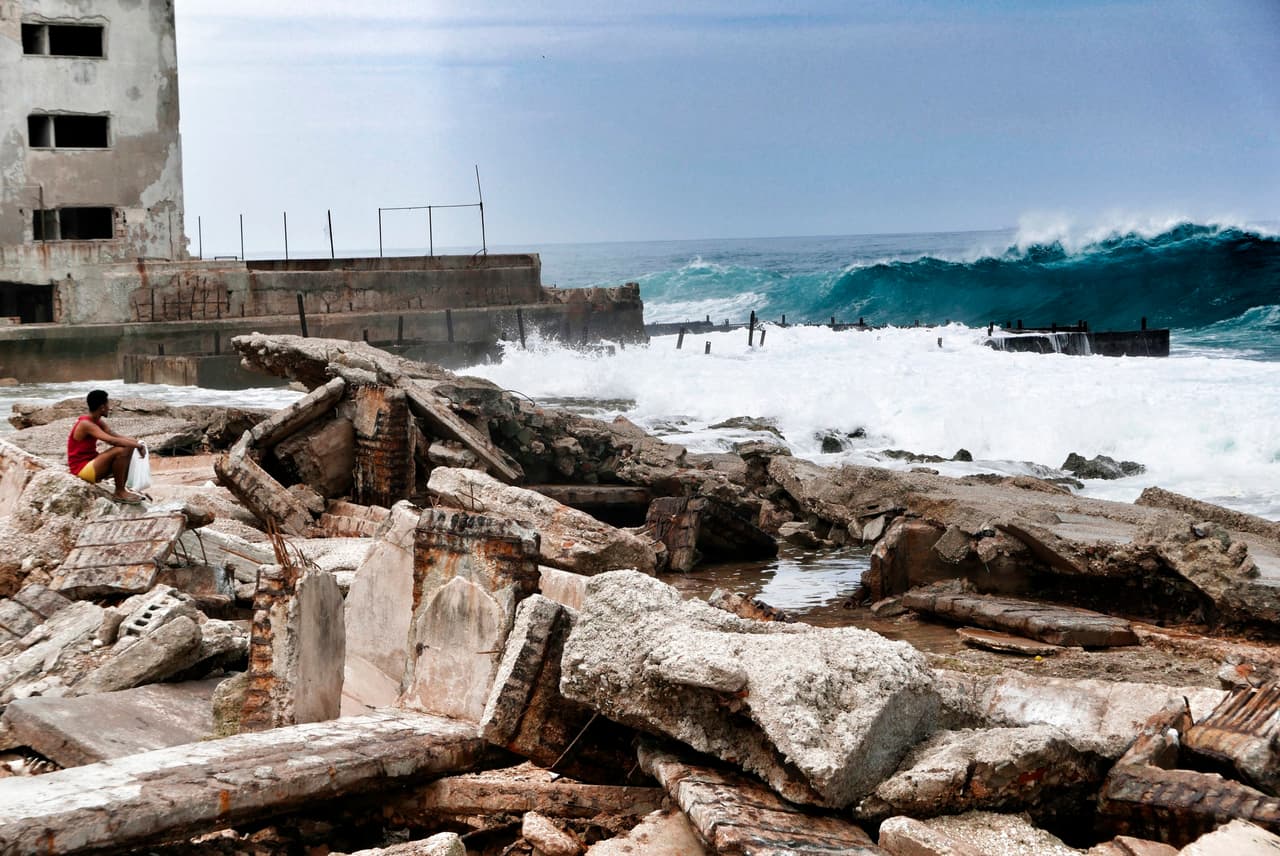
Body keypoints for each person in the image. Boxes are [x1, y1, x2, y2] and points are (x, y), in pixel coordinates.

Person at [67, 389, 148, 504]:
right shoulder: (86, 424)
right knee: (122, 449)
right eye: (108, 404)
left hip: (92, 463)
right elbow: (112, 441)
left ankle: (122, 490)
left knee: (128, 446)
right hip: (81, 469)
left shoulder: (97, 421)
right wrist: (137, 446)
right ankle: (120, 492)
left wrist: (138, 442)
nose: (110, 408)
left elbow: (116, 435)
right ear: (102, 407)